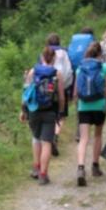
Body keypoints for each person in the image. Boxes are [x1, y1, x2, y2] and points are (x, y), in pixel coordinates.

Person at [21, 46, 66, 185]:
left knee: (36, 138)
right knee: (47, 143)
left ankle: (36, 167)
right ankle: (43, 174)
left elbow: (25, 94)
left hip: (34, 110)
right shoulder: (57, 73)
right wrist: (61, 112)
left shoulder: (33, 71)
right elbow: (62, 97)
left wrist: (23, 111)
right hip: (50, 111)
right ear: (53, 58)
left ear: (42, 57)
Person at [73, 42, 106, 187]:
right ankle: (95, 166)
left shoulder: (80, 69)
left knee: (84, 138)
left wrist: (76, 106)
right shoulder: (104, 68)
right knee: (97, 135)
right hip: (99, 106)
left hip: (83, 106)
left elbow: (75, 93)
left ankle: (80, 168)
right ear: (100, 53)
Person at [46, 33, 73, 156]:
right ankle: (56, 135)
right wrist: (67, 86)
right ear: (59, 42)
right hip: (62, 87)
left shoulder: (45, 53)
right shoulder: (64, 53)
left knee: (49, 113)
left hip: (47, 89)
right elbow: (69, 71)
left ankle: (49, 136)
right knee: (61, 115)